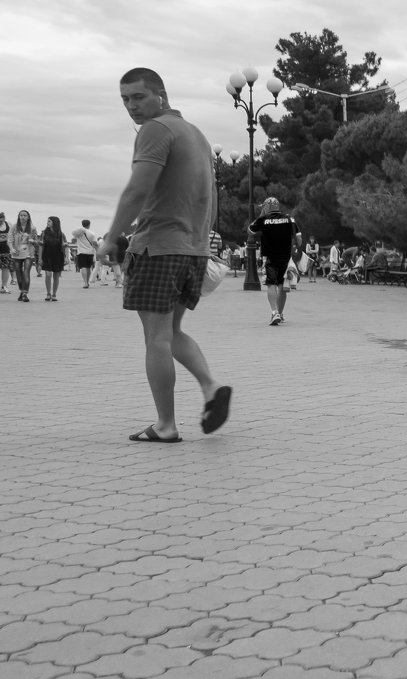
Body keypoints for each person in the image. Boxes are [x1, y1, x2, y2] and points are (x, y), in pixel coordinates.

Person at [97, 67, 232, 443]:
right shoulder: (196, 134)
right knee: (171, 332)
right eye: (125, 99)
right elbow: (211, 197)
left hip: (159, 247)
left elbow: (137, 189)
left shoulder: (155, 130)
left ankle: (166, 425)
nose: (131, 106)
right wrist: (203, 241)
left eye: (138, 97)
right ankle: (210, 386)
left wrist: (110, 239)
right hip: (192, 250)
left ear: (161, 94)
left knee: (155, 338)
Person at [248, 197, 301, 325]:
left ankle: (274, 312)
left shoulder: (263, 220)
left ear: (266, 207)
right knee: (282, 286)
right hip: (286, 257)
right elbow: (299, 241)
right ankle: (280, 314)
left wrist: (261, 215)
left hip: (269, 257)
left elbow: (250, 232)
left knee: (271, 284)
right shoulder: (290, 219)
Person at [8, 210, 38, 303]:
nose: (23, 217)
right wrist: (12, 248)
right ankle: (22, 291)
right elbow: (9, 239)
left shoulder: (32, 228)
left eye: (25, 215)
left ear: (28, 217)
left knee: (26, 272)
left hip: (28, 253)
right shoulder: (14, 227)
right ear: (19, 216)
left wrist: (33, 241)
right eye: (21, 215)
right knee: (18, 273)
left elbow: (36, 240)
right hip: (16, 253)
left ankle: (24, 293)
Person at [39, 217, 68, 301]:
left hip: (58, 256)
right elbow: (41, 246)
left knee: (56, 276)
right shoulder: (44, 233)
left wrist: (66, 257)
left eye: (49, 221)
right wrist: (40, 258)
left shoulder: (61, 234)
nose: (47, 223)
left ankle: (54, 294)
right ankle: (48, 293)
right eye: (47, 221)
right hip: (47, 256)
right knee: (48, 274)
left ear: (55, 223)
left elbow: (65, 246)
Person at [72, 219, 100, 289]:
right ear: (89, 225)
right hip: (90, 252)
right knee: (88, 267)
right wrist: (98, 252)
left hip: (81, 252)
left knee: (83, 267)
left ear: (82, 224)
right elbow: (95, 244)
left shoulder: (79, 233)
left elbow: (74, 237)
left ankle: (85, 283)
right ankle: (87, 282)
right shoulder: (92, 234)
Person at [0, 211, 12, 294]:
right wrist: (5, 238)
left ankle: (4, 286)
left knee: (5, 268)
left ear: (4, 219)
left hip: (6, 251)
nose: (0, 222)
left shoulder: (9, 225)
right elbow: (7, 237)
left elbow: (11, 237)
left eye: (1, 221)